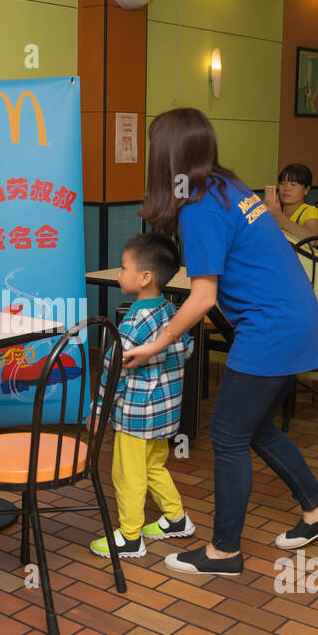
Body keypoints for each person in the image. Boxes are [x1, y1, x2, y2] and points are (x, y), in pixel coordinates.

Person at [122, 108, 318, 576]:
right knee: (256, 427)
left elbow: (203, 296)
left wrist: (153, 344)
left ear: (168, 155)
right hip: (293, 319)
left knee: (226, 434)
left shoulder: (201, 206)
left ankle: (224, 552)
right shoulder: (229, 187)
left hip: (272, 328)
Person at [91, 232, 195, 560]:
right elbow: (187, 348)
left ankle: (130, 537)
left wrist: (99, 411)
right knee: (154, 467)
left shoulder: (134, 322)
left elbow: (113, 369)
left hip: (136, 416)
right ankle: (176, 519)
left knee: (127, 474)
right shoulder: (173, 315)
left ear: (145, 277)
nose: (119, 274)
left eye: (123, 268)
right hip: (165, 413)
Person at [264, 163, 318, 239]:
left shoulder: (309, 211)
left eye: (293, 184)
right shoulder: (275, 210)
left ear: (306, 190)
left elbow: (312, 239)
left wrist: (279, 217)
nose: (286, 188)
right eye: (282, 183)